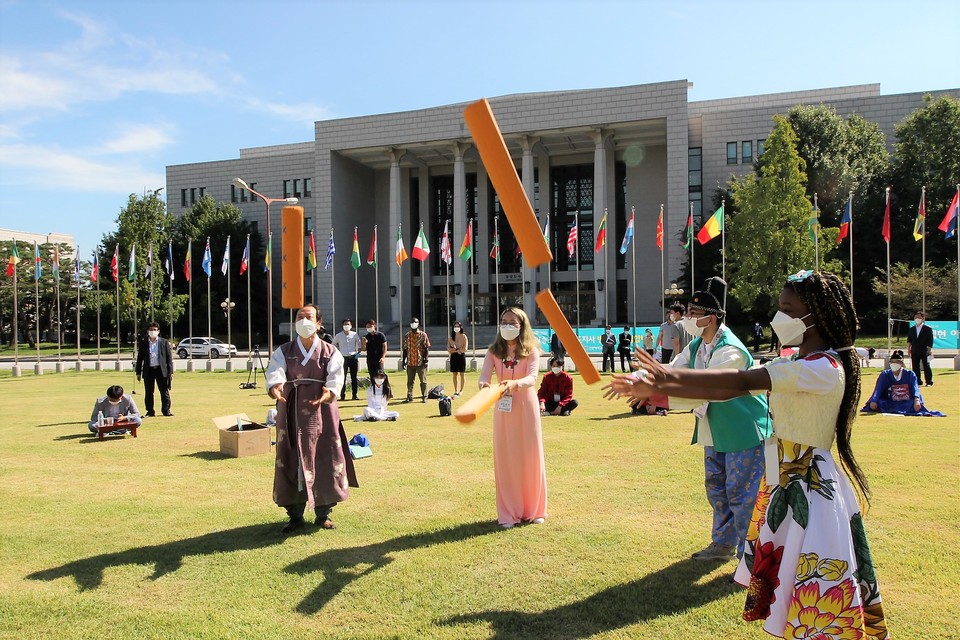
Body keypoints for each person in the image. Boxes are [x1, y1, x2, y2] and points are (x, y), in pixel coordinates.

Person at [607, 270, 888, 639]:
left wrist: (663, 380)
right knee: (789, 585)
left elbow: (739, 381)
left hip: (811, 491)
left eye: (787, 309)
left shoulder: (821, 369)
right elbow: (731, 387)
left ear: (815, 315)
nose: (778, 317)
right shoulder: (792, 363)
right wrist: (664, 385)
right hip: (785, 483)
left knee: (815, 585)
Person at [669, 277, 772, 562]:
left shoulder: (731, 350)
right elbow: (673, 371)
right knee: (717, 490)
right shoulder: (695, 346)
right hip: (715, 431)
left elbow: (706, 386)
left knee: (743, 494)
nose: (687, 317)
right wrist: (644, 379)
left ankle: (751, 555)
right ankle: (723, 544)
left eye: (693, 313)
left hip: (743, 431)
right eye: (688, 311)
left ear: (711, 318)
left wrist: (658, 394)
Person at [266, 304, 358, 533]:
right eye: (299, 317)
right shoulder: (284, 350)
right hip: (291, 411)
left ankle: (323, 513)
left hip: (322, 411)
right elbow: (275, 371)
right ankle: (294, 515)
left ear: (318, 323)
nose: (303, 321)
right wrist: (275, 386)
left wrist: (330, 392)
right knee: (290, 456)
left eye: (309, 317)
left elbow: (336, 375)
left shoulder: (330, 351)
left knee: (326, 456)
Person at [479, 307, 547, 529]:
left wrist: (514, 384)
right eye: (504, 321)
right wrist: (485, 386)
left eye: (513, 322)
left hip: (526, 406)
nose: (507, 325)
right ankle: (509, 512)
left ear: (522, 325)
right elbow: (484, 377)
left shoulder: (532, 351)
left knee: (530, 455)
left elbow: (532, 378)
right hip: (503, 409)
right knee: (507, 458)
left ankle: (535, 509)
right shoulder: (493, 352)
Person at [861, 350, 943, 416]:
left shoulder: (910, 374)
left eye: (896, 362)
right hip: (890, 400)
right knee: (879, 403)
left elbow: (915, 388)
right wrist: (874, 400)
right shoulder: (885, 374)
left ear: (901, 364)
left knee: (914, 404)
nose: (894, 364)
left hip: (906, 400)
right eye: (892, 362)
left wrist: (916, 400)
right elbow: (878, 389)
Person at [135, 321, 174, 417]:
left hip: (161, 370)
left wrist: (170, 372)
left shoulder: (164, 342)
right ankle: (150, 411)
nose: (153, 331)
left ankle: (166, 410)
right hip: (149, 370)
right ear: (148, 331)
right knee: (149, 392)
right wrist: (138, 372)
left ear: (158, 331)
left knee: (164, 391)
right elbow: (140, 358)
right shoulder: (144, 343)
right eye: (151, 330)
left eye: (155, 330)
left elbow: (169, 358)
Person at [402, 317, 430, 403]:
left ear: (418, 324)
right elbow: (405, 349)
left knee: (423, 381)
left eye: (415, 322)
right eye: (412, 322)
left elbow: (426, 348)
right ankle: (409, 396)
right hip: (410, 361)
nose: (413, 323)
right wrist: (404, 360)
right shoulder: (407, 336)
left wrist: (426, 360)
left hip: (420, 361)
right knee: (410, 381)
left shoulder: (423, 335)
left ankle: (424, 396)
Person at [333, 318, 362, 401]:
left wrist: (357, 354)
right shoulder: (338, 335)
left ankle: (354, 395)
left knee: (354, 377)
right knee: (342, 377)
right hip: (343, 358)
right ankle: (342, 396)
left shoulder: (354, 334)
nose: (346, 326)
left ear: (351, 326)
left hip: (353, 358)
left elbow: (360, 345)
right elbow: (334, 345)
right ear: (342, 326)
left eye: (348, 324)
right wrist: (338, 354)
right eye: (345, 324)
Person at [906, 311, 934, 386]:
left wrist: (929, 350)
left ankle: (929, 381)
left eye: (919, 317)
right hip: (914, 350)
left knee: (926, 366)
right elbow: (909, 340)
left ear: (923, 318)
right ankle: (917, 381)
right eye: (915, 317)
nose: (917, 319)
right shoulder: (912, 329)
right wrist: (908, 349)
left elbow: (930, 341)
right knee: (915, 366)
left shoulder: (927, 329)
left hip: (924, 350)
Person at [447, 320, 468, 397]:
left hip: (461, 356)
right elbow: (448, 349)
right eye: (455, 326)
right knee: (454, 374)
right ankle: (455, 390)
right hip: (454, 356)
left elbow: (465, 348)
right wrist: (454, 350)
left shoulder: (464, 336)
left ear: (460, 327)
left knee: (462, 374)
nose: (456, 328)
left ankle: (461, 390)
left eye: (458, 326)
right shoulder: (450, 338)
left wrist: (459, 350)